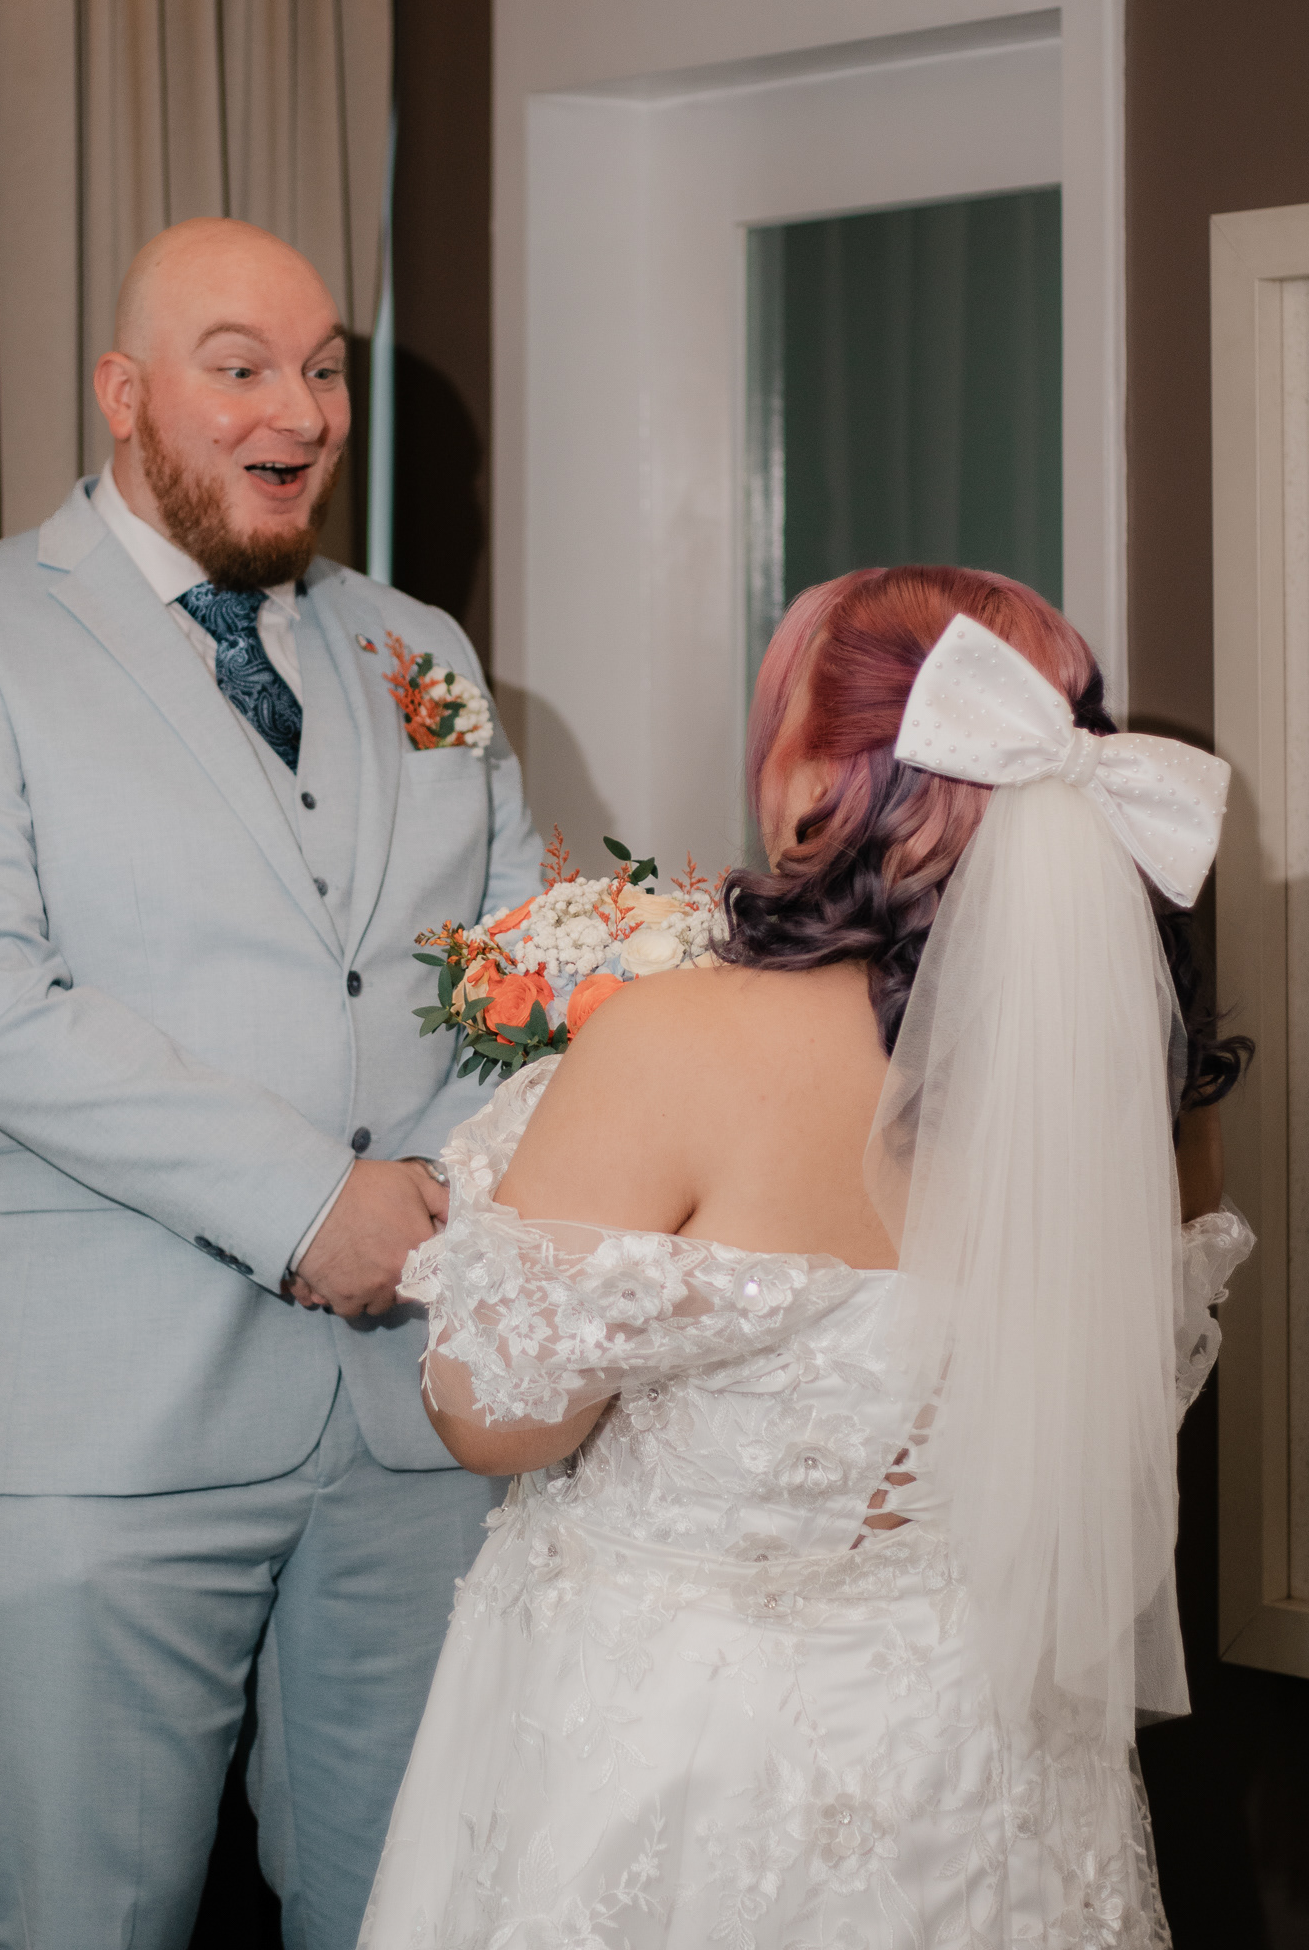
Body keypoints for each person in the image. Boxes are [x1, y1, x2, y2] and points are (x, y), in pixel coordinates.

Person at [358, 565, 1255, 1950]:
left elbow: (494, 1418)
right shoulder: (1141, 1078)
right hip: (987, 1757)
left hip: (684, 1751)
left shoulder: (677, 1043)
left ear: (825, 772)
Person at [0, 217, 540, 1950]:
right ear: (124, 392)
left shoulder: (424, 655)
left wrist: (430, 1199)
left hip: (412, 1415)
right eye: (240, 368)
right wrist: (311, 1206)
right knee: (90, 1916)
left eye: (323, 370)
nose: (297, 410)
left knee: (412, 1909)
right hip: (104, 1420)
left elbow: (517, 969)